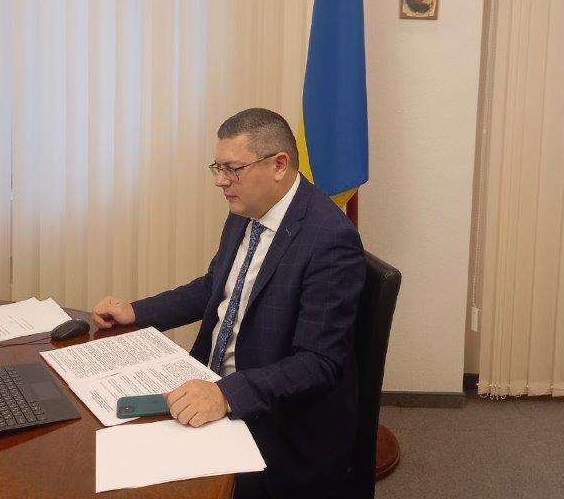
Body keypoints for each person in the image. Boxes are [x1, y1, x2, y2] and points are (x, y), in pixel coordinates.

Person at [92, 108, 366, 499]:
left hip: (274, 417)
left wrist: (227, 394)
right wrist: (137, 311)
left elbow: (318, 362)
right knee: (108, 438)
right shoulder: (245, 210)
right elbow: (214, 288)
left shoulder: (329, 239)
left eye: (232, 169)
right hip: (209, 380)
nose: (220, 181)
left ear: (279, 165)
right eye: (217, 168)